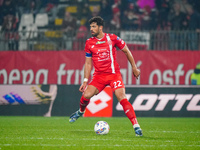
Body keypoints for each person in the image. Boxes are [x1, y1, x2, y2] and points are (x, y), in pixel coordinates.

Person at [69, 16, 143, 136]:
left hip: (114, 75)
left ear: (100, 27)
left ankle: (136, 126)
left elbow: (126, 51)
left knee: (121, 97)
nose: (91, 29)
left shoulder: (112, 38)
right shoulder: (89, 43)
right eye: (90, 27)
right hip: (99, 76)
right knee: (86, 95)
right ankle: (81, 111)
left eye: (94, 26)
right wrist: (85, 81)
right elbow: (88, 63)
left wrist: (134, 67)